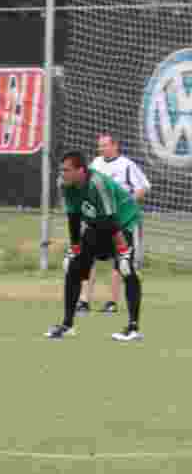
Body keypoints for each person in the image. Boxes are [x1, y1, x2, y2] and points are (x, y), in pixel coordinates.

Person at [47, 150, 143, 341]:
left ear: (81, 171)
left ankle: (133, 328)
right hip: (97, 224)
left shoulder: (98, 184)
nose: (62, 174)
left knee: (126, 268)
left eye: (67, 170)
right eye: (61, 170)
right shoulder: (66, 185)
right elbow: (73, 217)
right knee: (74, 268)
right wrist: (75, 248)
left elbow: (111, 219)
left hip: (122, 222)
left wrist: (123, 251)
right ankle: (67, 325)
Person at [75, 132, 150, 315]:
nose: (101, 149)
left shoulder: (127, 165)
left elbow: (143, 187)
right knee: (88, 259)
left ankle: (112, 302)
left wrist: (126, 204)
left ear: (115, 145)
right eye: (99, 146)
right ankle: (84, 301)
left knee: (119, 262)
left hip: (120, 222)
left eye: (104, 145)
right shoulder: (95, 164)